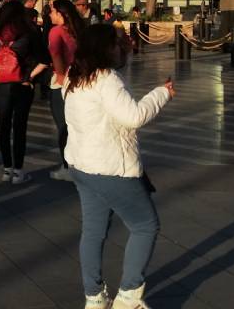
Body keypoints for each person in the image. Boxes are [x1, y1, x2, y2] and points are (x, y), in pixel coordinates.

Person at [64, 24, 174, 309]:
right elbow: (133, 117)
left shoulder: (74, 76)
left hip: (81, 165)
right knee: (145, 226)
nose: (120, 47)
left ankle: (94, 297)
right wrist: (161, 93)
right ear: (104, 48)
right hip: (110, 168)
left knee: (93, 231)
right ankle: (128, 296)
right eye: (116, 43)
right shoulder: (106, 78)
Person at [0, 0, 50, 185]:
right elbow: (45, 60)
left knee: (4, 126)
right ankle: (18, 171)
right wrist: (28, 77)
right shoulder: (29, 32)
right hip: (22, 85)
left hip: (1, 84)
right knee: (20, 127)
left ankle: (6, 169)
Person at [48, 0, 86, 182]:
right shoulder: (79, 30)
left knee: (63, 126)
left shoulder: (56, 32)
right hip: (80, 79)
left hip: (63, 82)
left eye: (53, 12)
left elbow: (56, 55)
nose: (50, 15)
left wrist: (61, 78)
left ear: (61, 14)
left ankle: (67, 166)